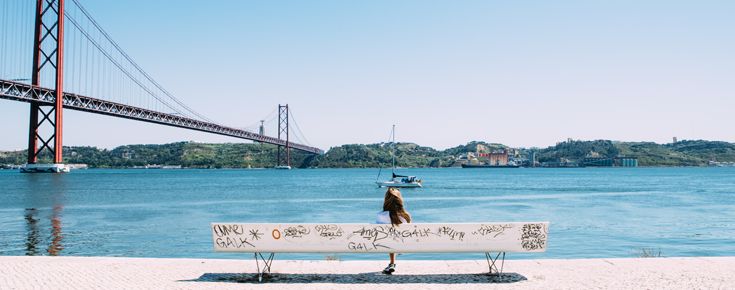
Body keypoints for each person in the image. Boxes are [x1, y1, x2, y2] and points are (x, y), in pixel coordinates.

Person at [376, 187, 411, 275]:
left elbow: (376, 231)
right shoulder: (405, 216)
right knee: (394, 238)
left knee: (390, 239)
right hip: (402, 243)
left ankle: (392, 263)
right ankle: (392, 263)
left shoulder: (381, 215)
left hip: (384, 243)